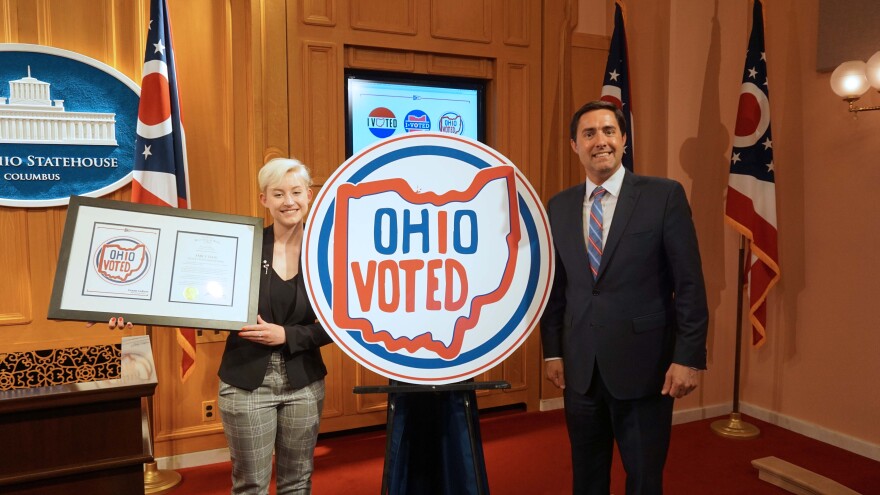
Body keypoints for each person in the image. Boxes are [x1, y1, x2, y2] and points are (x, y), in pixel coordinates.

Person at [107, 157, 332, 494]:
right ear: (264, 200)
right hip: (247, 383)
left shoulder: (327, 251)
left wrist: (287, 335)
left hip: (304, 382)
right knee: (250, 484)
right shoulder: (239, 244)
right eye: (278, 193)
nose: (289, 202)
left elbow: (338, 324)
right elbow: (184, 288)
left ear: (309, 194)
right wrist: (132, 304)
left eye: (296, 192)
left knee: (297, 482)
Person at [541, 100, 708, 495]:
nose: (600, 141)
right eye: (589, 133)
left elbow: (689, 284)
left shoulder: (663, 196)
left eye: (608, 131)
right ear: (574, 145)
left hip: (645, 368)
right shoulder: (558, 206)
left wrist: (687, 357)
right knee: (587, 475)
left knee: (644, 478)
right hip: (581, 371)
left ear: (624, 140)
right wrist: (552, 351)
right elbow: (555, 286)